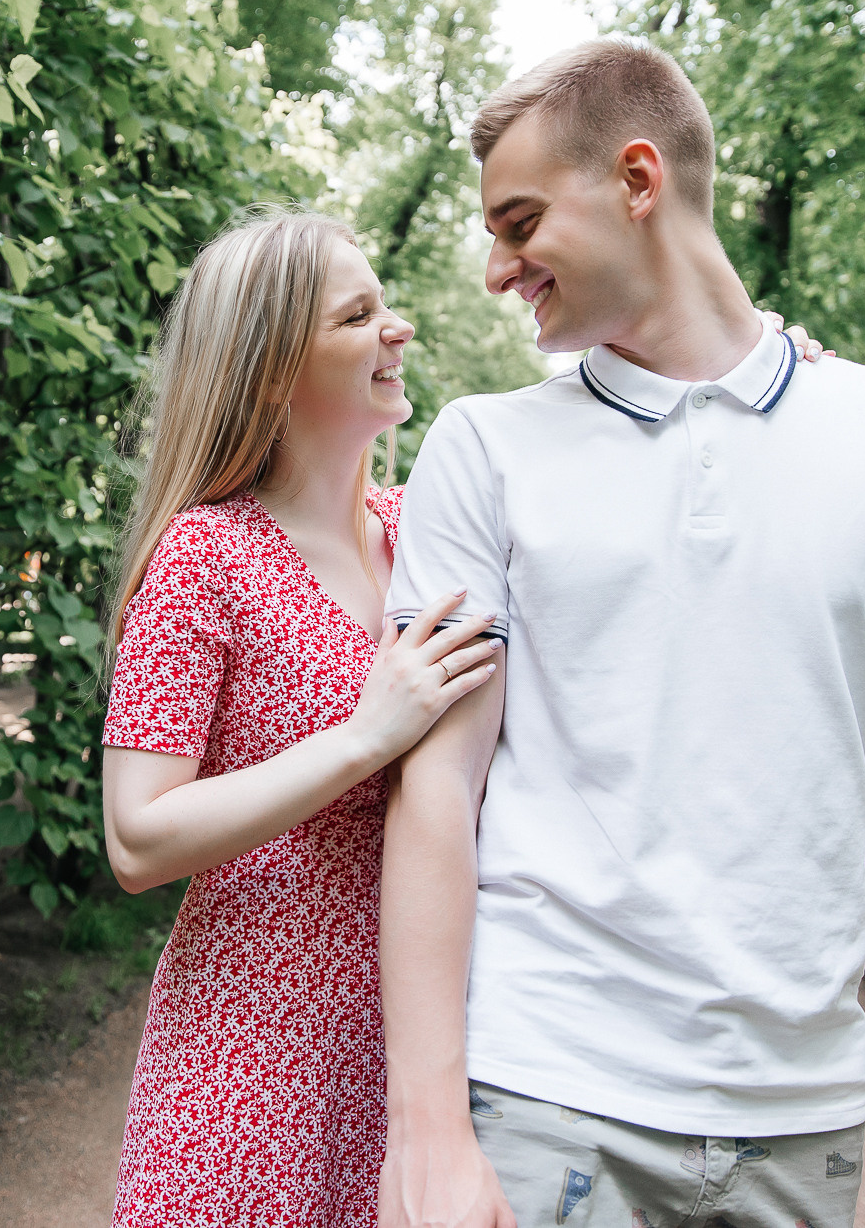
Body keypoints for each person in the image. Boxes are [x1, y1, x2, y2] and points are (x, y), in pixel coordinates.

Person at [377, 40, 865, 1228]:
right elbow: (436, 792)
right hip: (544, 1096)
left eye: (520, 222)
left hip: (803, 1119)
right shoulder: (483, 449)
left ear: (637, 180)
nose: (495, 269)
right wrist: (426, 1129)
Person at [99, 206, 826, 1225]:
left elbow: (614, 488)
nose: (396, 327)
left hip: (435, 1049)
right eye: (357, 316)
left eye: (385, 305)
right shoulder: (203, 556)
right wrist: (365, 736)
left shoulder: (424, 528)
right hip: (250, 1059)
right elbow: (136, 837)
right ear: (270, 371)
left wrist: (738, 369)